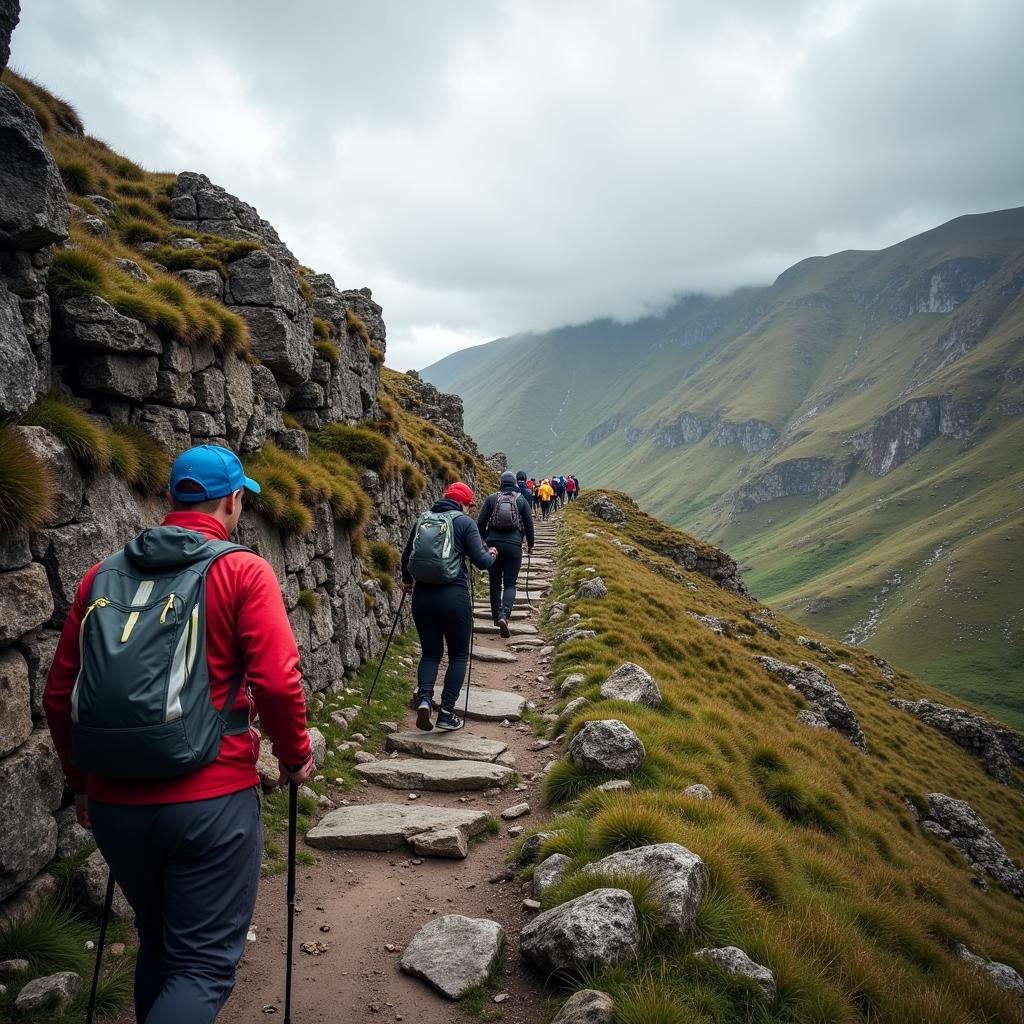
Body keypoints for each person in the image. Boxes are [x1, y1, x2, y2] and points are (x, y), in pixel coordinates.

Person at [44, 444, 313, 1024]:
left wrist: (84, 785)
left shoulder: (100, 575)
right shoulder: (241, 570)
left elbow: (58, 693)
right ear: (235, 501)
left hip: (115, 804)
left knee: (160, 943)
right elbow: (276, 679)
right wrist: (295, 756)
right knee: (200, 967)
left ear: (170, 497)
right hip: (210, 804)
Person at [401, 482, 496, 732]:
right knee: (458, 655)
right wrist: (493, 553)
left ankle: (424, 700)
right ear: (464, 503)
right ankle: (446, 713)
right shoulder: (464, 523)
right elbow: (482, 561)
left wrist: (407, 581)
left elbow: (406, 555)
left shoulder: (424, 518)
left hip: (422, 596)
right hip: (454, 597)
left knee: (431, 653)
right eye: (469, 505)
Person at [478, 471, 535, 636]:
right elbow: (530, 526)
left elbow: (480, 524)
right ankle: (505, 614)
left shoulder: (491, 499)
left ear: (501, 482)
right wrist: (530, 545)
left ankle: (496, 618)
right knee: (510, 584)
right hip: (514, 546)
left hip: (493, 545)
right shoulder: (521, 500)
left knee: (495, 582)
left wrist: (483, 543)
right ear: (515, 483)